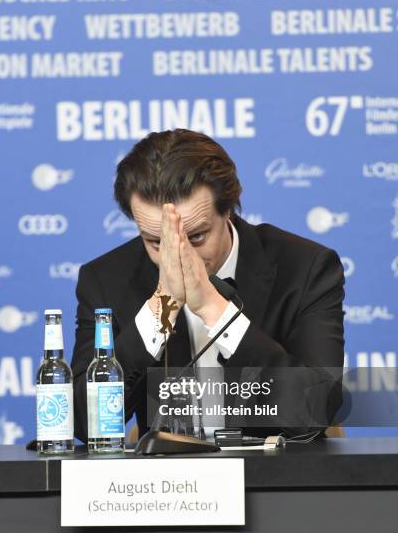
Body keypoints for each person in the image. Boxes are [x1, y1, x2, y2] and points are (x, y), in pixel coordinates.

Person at [72, 129, 345, 443]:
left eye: (197, 236)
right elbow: (83, 422)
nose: (178, 256)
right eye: (156, 242)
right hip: (166, 485)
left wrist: (214, 309)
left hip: (277, 475)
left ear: (227, 210)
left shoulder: (306, 267)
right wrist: (162, 308)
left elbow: (317, 408)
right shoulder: (106, 280)